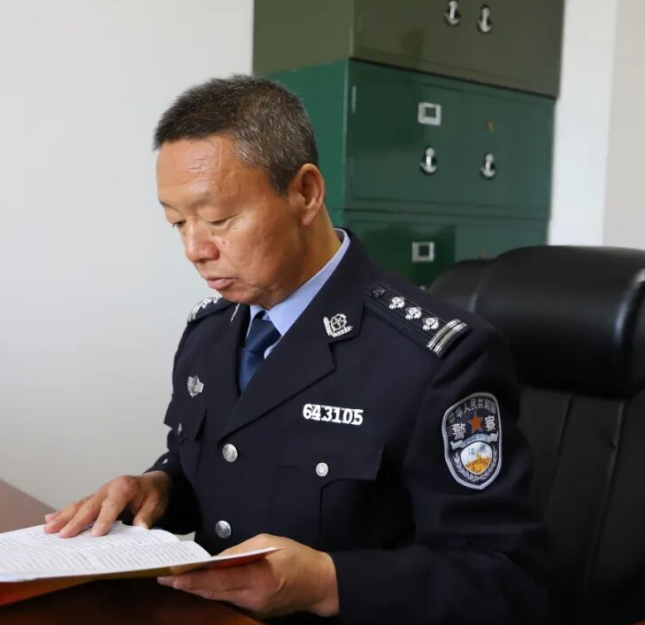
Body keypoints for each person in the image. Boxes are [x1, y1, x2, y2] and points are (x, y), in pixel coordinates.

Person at [43, 75, 548, 624]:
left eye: (218, 219)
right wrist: (159, 487)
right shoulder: (210, 332)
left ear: (305, 193)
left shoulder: (438, 358)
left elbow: (506, 580)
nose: (194, 249)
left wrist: (326, 583)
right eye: (177, 222)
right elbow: (222, 465)